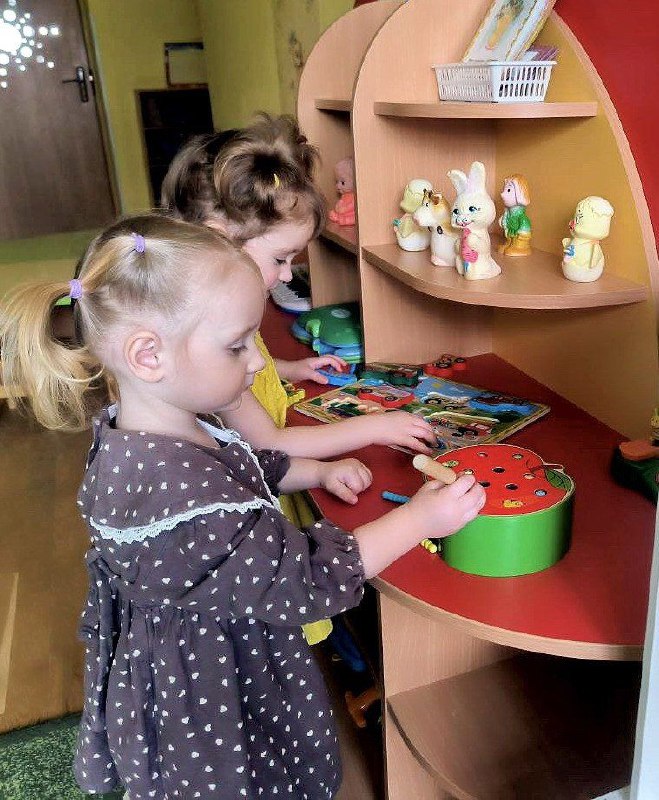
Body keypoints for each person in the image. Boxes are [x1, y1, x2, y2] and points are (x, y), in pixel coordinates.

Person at [0, 214, 485, 799]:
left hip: (188, 649)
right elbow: (305, 581)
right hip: (213, 679)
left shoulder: (153, 427)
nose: (256, 362)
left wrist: (318, 471)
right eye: (236, 346)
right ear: (148, 356)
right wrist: (419, 519)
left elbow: (242, 467)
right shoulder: (176, 495)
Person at [161, 114, 438, 645]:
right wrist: (377, 425)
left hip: (273, 480)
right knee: (277, 615)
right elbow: (269, 443)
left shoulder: (218, 325)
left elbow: (255, 372)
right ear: (220, 242)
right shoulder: (207, 359)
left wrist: (290, 368)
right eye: (280, 258)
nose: (288, 274)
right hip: (251, 517)